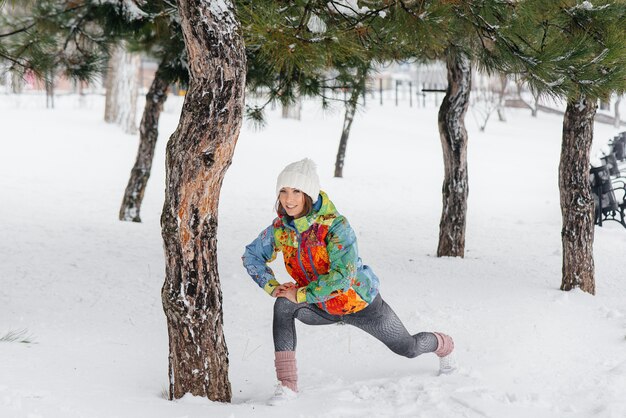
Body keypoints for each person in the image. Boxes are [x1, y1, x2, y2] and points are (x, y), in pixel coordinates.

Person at [242, 158, 456, 405]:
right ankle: (287, 386)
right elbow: (252, 255)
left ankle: (443, 344)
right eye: (283, 191)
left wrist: (299, 295)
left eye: (296, 191)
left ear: (309, 193)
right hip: (320, 307)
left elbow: (342, 279)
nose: (288, 199)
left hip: (361, 305)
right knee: (282, 305)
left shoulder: (335, 226)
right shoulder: (281, 229)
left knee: (407, 348)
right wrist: (273, 286)